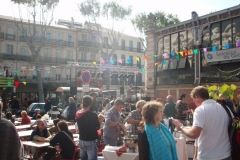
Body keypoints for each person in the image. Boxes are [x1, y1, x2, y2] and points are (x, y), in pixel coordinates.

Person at [172, 86, 231, 160]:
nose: (194, 102)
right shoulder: (223, 108)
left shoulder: (201, 110)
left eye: (193, 99)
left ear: (196, 97)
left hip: (208, 156)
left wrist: (181, 127)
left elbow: (194, 134)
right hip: (226, 155)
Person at [76, 95, 100, 160]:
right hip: (90, 140)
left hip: (81, 139)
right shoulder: (93, 115)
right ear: (90, 104)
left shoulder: (78, 114)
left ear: (82, 102)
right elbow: (98, 127)